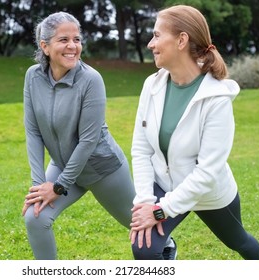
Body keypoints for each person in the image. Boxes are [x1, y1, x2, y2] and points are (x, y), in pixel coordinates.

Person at [21, 11, 176, 260]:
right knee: (35, 217)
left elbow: (88, 141)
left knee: (141, 226)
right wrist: (40, 186)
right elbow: (33, 131)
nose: (73, 46)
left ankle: (167, 245)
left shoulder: (91, 80)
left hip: (103, 170)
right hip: (62, 165)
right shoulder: (33, 77)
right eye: (64, 40)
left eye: (77, 39)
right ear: (45, 46)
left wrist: (58, 186)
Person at [129, 5, 259, 260]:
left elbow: (207, 172)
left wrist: (160, 211)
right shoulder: (152, 85)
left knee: (241, 243)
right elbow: (141, 148)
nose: (150, 44)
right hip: (164, 185)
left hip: (207, 193)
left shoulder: (217, 98)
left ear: (182, 40)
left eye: (157, 35)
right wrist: (147, 200)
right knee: (144, 249)